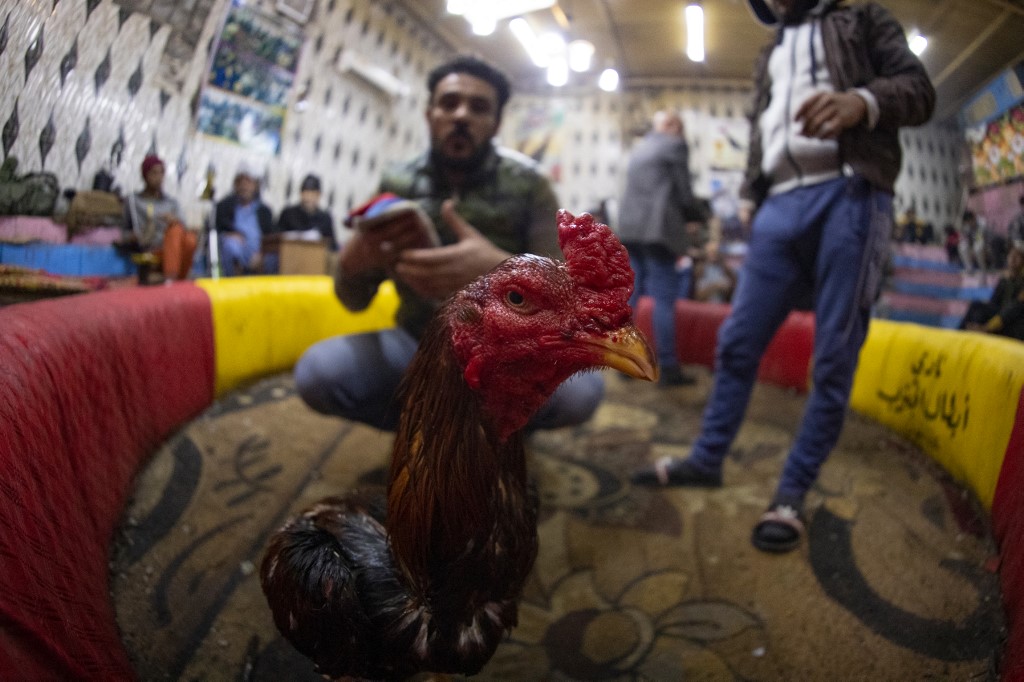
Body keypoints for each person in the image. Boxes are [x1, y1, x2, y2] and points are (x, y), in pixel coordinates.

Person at [631, 0, 936, 554]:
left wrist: (861, 102)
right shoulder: (769, 51)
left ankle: (792, 491)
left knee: (834, 354)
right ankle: (707, 458)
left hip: (850, 191)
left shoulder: (861, 17)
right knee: (738, 341)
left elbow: (919, 89)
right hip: (776, 210)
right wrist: (751, 192)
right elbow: (760, 127)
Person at [293, 55, 604, 432]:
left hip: (509, 357)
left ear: (495, 124)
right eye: (448, 103)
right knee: (318, 373)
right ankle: (425, 434)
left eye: (478, 107)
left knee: (580, 390)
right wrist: (353, 264)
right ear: (429, 115)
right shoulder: (398, 182)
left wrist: (500, 273)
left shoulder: (530, 185)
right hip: (417, 342)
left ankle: (500, 438)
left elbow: (568, 298)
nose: (461, 115)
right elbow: (353, 301)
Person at [617, 110, 702, 387]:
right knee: (665, 299)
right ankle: (669, 367)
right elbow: (684, 190)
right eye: (675, 124)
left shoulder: (641, 148)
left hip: (631, 228)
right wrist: (696, 217)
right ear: (669, 126)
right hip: (658, 231)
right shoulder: (675, 144)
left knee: (634, 295)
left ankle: (622, 361)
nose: (678, 129)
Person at [122, 154, 197, 281]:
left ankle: (171, 279)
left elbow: (183, 228)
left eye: (161, 173)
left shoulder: (171, 203)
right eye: (154, 173)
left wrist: (173, 220)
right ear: (145, 175)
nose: (158, 178)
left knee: (187, 237)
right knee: (178, 232)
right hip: (151, 248)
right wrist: (133, 236)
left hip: (174, 248)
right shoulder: (133, 201)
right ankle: (174, 279)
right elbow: (123, 231)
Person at [215, 163, 275, 275]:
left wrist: (262, 254)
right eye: (240, 182)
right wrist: (230, 234)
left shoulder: (264, 211)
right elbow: (217, 232)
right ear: (235, 185)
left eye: (248, 182)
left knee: (275, 257)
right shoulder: (224, 206)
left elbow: (271, 236)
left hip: (258, 254)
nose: (244, 186)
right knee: (230, 245)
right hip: (236, 250)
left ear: (256, 185)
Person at [960, 244, 1024, 341]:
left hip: (1012, 322)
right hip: (1000, 314)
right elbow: (993, 302)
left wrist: (988, 326)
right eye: (1011, 256)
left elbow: (1013, 309)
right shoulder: (1004, 281)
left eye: (1017, 256)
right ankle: (960, 334)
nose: (1013, 259)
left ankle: (978, 333)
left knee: (982, 313)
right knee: (977, 307)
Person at [276, 174, 337, 250]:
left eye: (313, 194)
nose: (309, 197)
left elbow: (332, 246)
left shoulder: (325, 218)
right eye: (306, 193)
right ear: (301, 194)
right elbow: (276, 240)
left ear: (318, 195)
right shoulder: (288, 214)